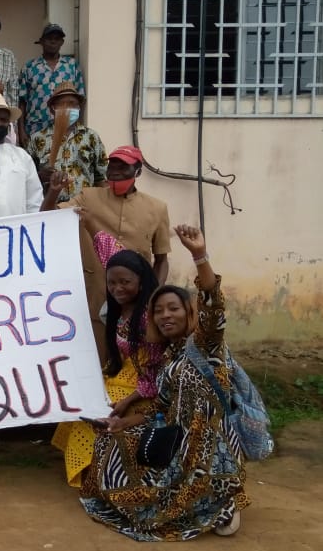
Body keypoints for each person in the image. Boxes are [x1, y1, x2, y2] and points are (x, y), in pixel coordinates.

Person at [81, 225, 249, 541]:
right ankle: (200, 501)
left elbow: (213, 303)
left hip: (209, 443)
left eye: (173, 309)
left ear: (189, 312)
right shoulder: (169, 355)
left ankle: (222, 501)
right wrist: (121, 423)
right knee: (109, 441)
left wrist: (200, 255)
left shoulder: (205, 344)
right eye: (158, 311)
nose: (165, 316)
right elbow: (161, 406)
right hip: (175, 434)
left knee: (171, 505)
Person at [51, 227, 164, 488]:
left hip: (145, 388)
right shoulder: (117, 310)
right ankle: (93, 467)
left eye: (125, 282)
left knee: (99, 413)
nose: (117, 288)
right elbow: (105, 246)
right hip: (118, 374)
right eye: (112, 282)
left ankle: (101, 471)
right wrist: (82, 219)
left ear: (141, 281)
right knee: (77, 402)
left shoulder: (149, 317)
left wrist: (128, 400)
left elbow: (156, 371)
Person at [42, 145, 171, 361]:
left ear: (138, 171)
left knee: (135, 364)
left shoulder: (157, 208)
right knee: (96, 361)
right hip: (95, 295)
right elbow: (47, 217)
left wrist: (152, 297)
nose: (116, 171)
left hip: (136, 303)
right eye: (112, 165)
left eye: (124, 166)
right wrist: (53, 191)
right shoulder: (88, 197)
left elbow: (161, 259)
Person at [27, 82, 107, 201]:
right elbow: (27, 178)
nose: (68, 108)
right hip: (50, 208)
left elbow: (101, 178)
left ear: (79, 108)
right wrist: (40, 175)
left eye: (72, 104)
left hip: (84, 207)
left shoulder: (91, 137)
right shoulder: (38, 139)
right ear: (52, 109)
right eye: (62, 104)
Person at [18, 24, 85, 143]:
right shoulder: (29, 67)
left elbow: (80, 99)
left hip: (66, 130)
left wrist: (79, 127)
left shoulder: (72, 66)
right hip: (35, 130)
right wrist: (21, 131)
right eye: (49, 38)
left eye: (57, 39)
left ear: (62, 42)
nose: (53, 42)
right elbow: (22, 102)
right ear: (42, 42)